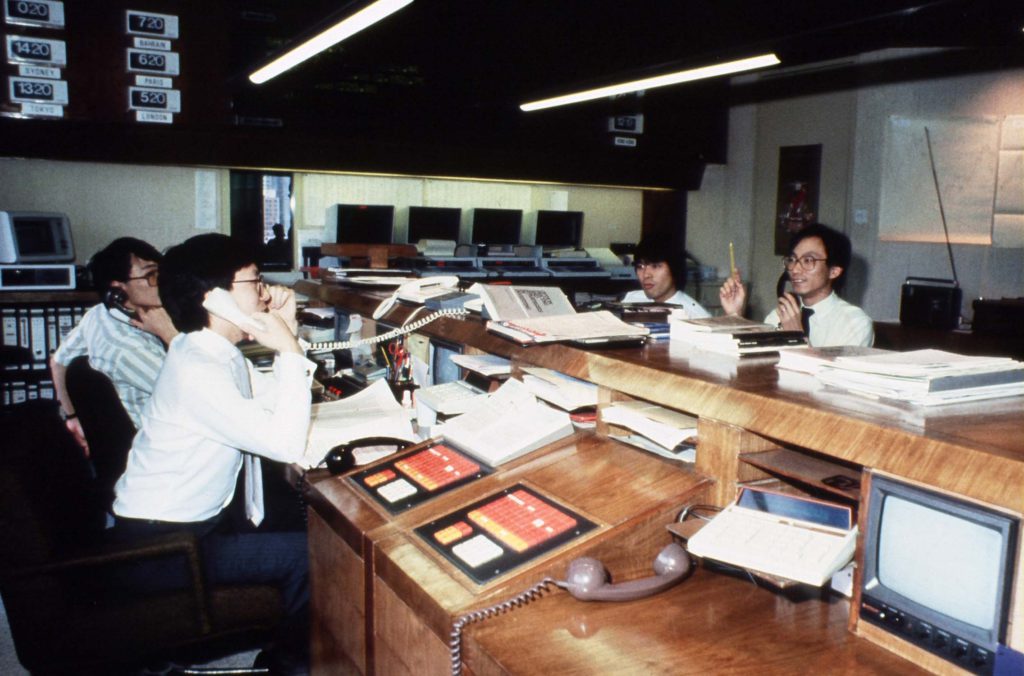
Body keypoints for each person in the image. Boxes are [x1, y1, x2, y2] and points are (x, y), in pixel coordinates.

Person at [110, 233, 314, 675]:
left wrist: (287, 334)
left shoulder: (208, 351)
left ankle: (287, 654)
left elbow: (270, 410)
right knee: (312, 554)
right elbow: (285, 443)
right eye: (255, 281)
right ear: (216, 299)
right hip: (160, 549)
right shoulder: (199, 369)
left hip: (184, 528)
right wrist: (290, 351)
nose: (265, 293)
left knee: (298, 524)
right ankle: (294, 664)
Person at [50, 237, 179, 454]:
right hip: (162, 453)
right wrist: (171, 335)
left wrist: (72, 418)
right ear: (119, 289)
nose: (162, 281)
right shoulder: (129, 350)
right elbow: (200, 394)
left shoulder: (99, 314)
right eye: (151, 275)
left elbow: (57, 362)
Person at [720, 223, 874, 347]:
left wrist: (797, 339)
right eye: (792, 260)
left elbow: (833, 381)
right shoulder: (779, 315)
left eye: (808, 260)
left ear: (834, 271)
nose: (794, 269)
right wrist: (735, 316)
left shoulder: (855, 323)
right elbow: (751, 364)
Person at [620, 238, 710, 319]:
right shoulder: (631, 299)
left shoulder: (695, 316)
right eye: (640, 266)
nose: (646, 275)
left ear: (674, 269)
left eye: (655, 266)